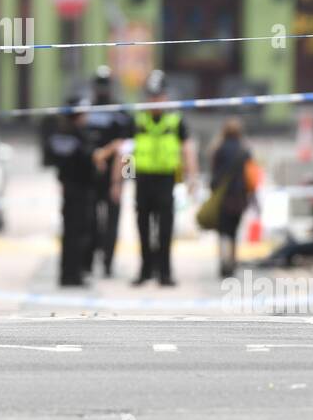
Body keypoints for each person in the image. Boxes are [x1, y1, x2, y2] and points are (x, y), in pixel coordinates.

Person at [98, 70, 198, 286]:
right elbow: (126, 153)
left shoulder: (176, 121)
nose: (154, 100)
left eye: (158, 95)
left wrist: (192, 177)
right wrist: (120, 181)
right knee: (142, 227)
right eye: (151, 95)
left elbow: (187, 150)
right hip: (143, 180)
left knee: (165, 229)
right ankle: (145, 270)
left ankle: (165, 272)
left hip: (166, 180)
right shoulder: (137, 121)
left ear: (166, 96)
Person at [42, 94, 96, 287]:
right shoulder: (76, 136)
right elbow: (87, 161)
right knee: (77, 234)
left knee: (71, 233)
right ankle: (72, 275)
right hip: (79, 190)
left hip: (70, 189)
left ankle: (69, 274)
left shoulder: (61, 134)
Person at [82, 65, 130, 278]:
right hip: (91, 175)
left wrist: (123, 180)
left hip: (115, 175)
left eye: (105, 85)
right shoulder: (87, 111)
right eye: (99, 85)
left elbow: (129, 149)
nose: (102, 89)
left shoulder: (121, 113)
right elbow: (81, 143)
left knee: (112, 222)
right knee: (89, 220)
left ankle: (108, 263)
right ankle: (88, 261)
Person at [210, 118, 254, 278]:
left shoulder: (219, 149)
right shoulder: (245, 151)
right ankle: (233, 261)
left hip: (223, 197)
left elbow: (214, 174)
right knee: (234, 231)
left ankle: (224, 261)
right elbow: (251, 176)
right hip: (240, 197)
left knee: (223, 232)